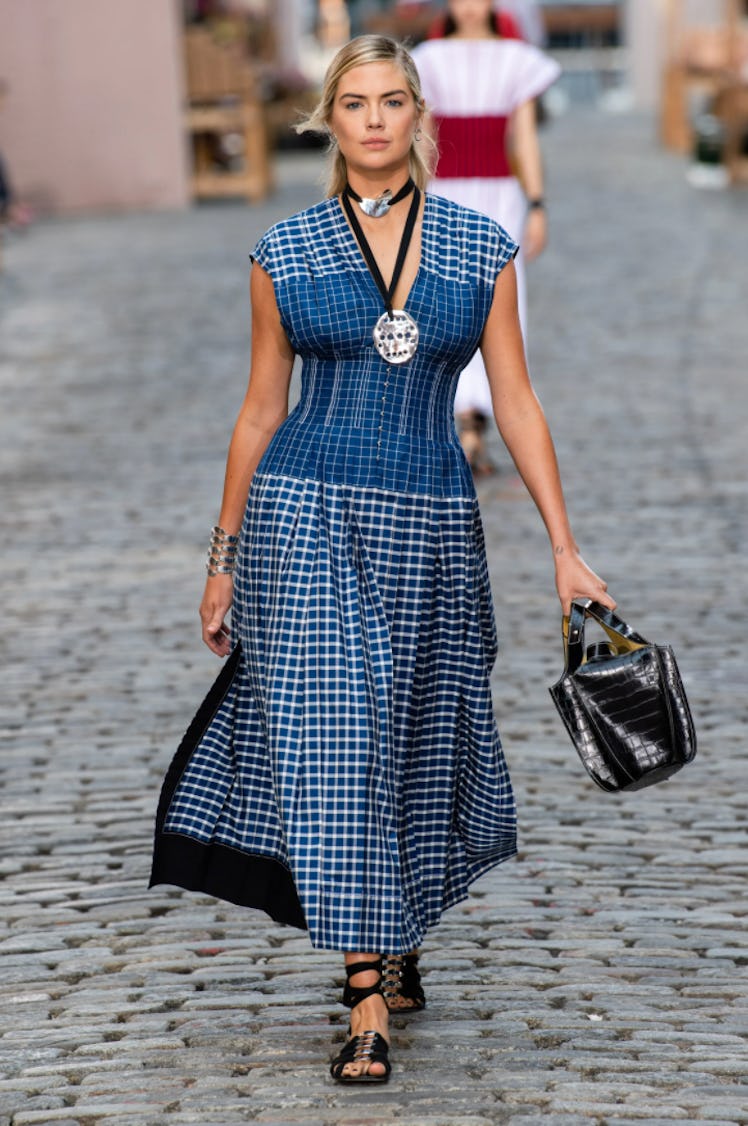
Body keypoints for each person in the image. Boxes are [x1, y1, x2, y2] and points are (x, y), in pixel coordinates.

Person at [150, 33, 614, 1083]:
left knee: (407, 730)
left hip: (430, 519)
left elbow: (520, 403)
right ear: (329, 118)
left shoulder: (474, 247)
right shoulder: (283, 250)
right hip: (302, 513)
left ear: (418, 117)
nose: (370, 118)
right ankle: (365, 995)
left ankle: (391, 925)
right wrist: (223, 555)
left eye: (389, 101)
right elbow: (260, 409)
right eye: (352, 101)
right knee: (338, 733)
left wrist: (563, 547)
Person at [412, 0, 560, 473]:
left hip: (500, 196)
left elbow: (524, 137)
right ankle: (460, 419)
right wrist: (410, 200)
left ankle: (479, 416)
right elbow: (423, 134)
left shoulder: (515, 59)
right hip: (444, 194)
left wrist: (536, 203)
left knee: (502, 304)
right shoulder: (428, 60)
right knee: (442, 302)